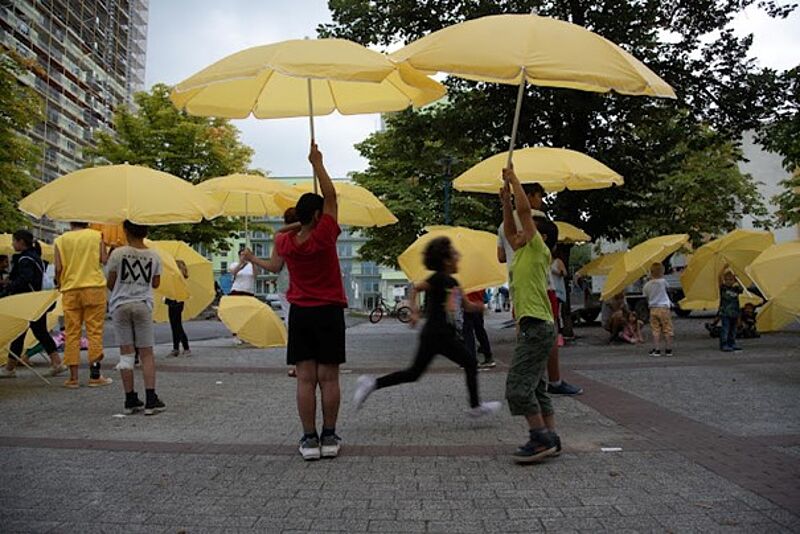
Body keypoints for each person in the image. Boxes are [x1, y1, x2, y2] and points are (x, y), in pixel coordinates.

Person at [244, 142, 346, 461]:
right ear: (318, 215)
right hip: (329, 312)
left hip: (300, 313)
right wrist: (318, 163)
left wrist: (300, 222)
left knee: (305, 379)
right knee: (328, 378)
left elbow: (275, 264)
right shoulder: (325, 235)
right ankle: (330, 436)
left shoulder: (285, 242)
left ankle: (309, 439)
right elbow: (331, 196)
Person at [353, 237, 501, 417]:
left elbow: (467, 305)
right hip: (436, 334)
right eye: (455, 254)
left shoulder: (454, 283)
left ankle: (372, 384)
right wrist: (414, 312)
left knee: (414, 373)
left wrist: (479, 307)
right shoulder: (437, 278)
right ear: (446, 261)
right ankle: (475, 406)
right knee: (470, 362)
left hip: (439, 335)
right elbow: (415, 289)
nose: (459, 257)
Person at [497, 182, 582, 396]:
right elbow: (523, 215)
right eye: (539, 196)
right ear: (529, 196)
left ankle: (535, 380)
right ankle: (551, 380)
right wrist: (510, 190)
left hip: (524, 293)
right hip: (542, 289)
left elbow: (501, 255)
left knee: (528, 335)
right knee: (546, 334)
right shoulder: (537, 222)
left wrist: (507, 201)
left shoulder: (510, 229)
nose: (541, 201)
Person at [500, 167, 561, 463]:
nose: (520, 231)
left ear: (541, 235)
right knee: (536, 387)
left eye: (527, 228)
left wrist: (515, 182)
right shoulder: (523, 251)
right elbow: (509, 229)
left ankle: (539, 439)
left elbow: (524, 213)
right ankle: (552, 436)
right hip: (535, 326)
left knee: (517, 387)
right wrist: (505, 202)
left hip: (537, 327)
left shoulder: (538, 249)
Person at [106, 221, 165, 415]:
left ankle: (130, 399)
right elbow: (155, 283)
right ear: (146, 231)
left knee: (126, 354)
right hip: (142, 305)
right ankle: (151, 400)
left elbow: (110, 283)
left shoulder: (117, 253)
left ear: (125, 231)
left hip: (120, 305)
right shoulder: (154, 255)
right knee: (146, 354)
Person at [0, 230, 67, 378]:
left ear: (21, 242)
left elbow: (25, 279)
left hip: (26, 302)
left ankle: (10, 368)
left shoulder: (25, 259)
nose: (12, 244)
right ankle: (56, 362)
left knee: (21, 332)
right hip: (36, 301)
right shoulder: (35, 257)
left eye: (14, 241)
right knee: (38, 332)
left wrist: (9, 286)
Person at [54, 222, 112, 388]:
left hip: (70, 289)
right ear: (87, 221)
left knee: (72, 333)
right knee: (94, 331)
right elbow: (104, 260)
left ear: (71, 222)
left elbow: (58, 268)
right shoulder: (96, 236)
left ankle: (73, 378)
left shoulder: (60, 240)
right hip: (94, 288)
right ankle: (95, 375)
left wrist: (59, 282)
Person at [642, 262, 673, 357]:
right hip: (664, 308)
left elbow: (646, 297)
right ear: (662, 272)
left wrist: (648, 280)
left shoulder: (647, 285)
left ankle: (657, 349)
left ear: (651, 272)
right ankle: (668, 350)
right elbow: (668, 289)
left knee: (655, 330)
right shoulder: (663, 282)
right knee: (667, 328)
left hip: (653, 309)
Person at [165, 260, 191, 358]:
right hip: (174, 301)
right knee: (174, 325)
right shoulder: (177, 277)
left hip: (176, 301)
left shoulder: (178, 277)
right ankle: (177, 348)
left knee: (177, 326)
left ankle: (184, 348)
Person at [463, 290, 495, 368]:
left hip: (468, 305)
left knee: (468, 333)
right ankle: (488, 356)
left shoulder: (467, 283)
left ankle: (471, 359)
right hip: (478, 304)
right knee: (480, 331)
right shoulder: (478, 284)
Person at [718, 270, 743, 352]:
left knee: (733, 329)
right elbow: (719, 280)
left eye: (731, 279)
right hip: (725, 313)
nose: (728, 281)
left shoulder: (736, 289)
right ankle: (724, 343)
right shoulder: (723, 288)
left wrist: (737, 280)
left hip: (734, 312)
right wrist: (723, 269)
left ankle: (732, 342)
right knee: (725, 328)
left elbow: (742, 289)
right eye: (726, 280)